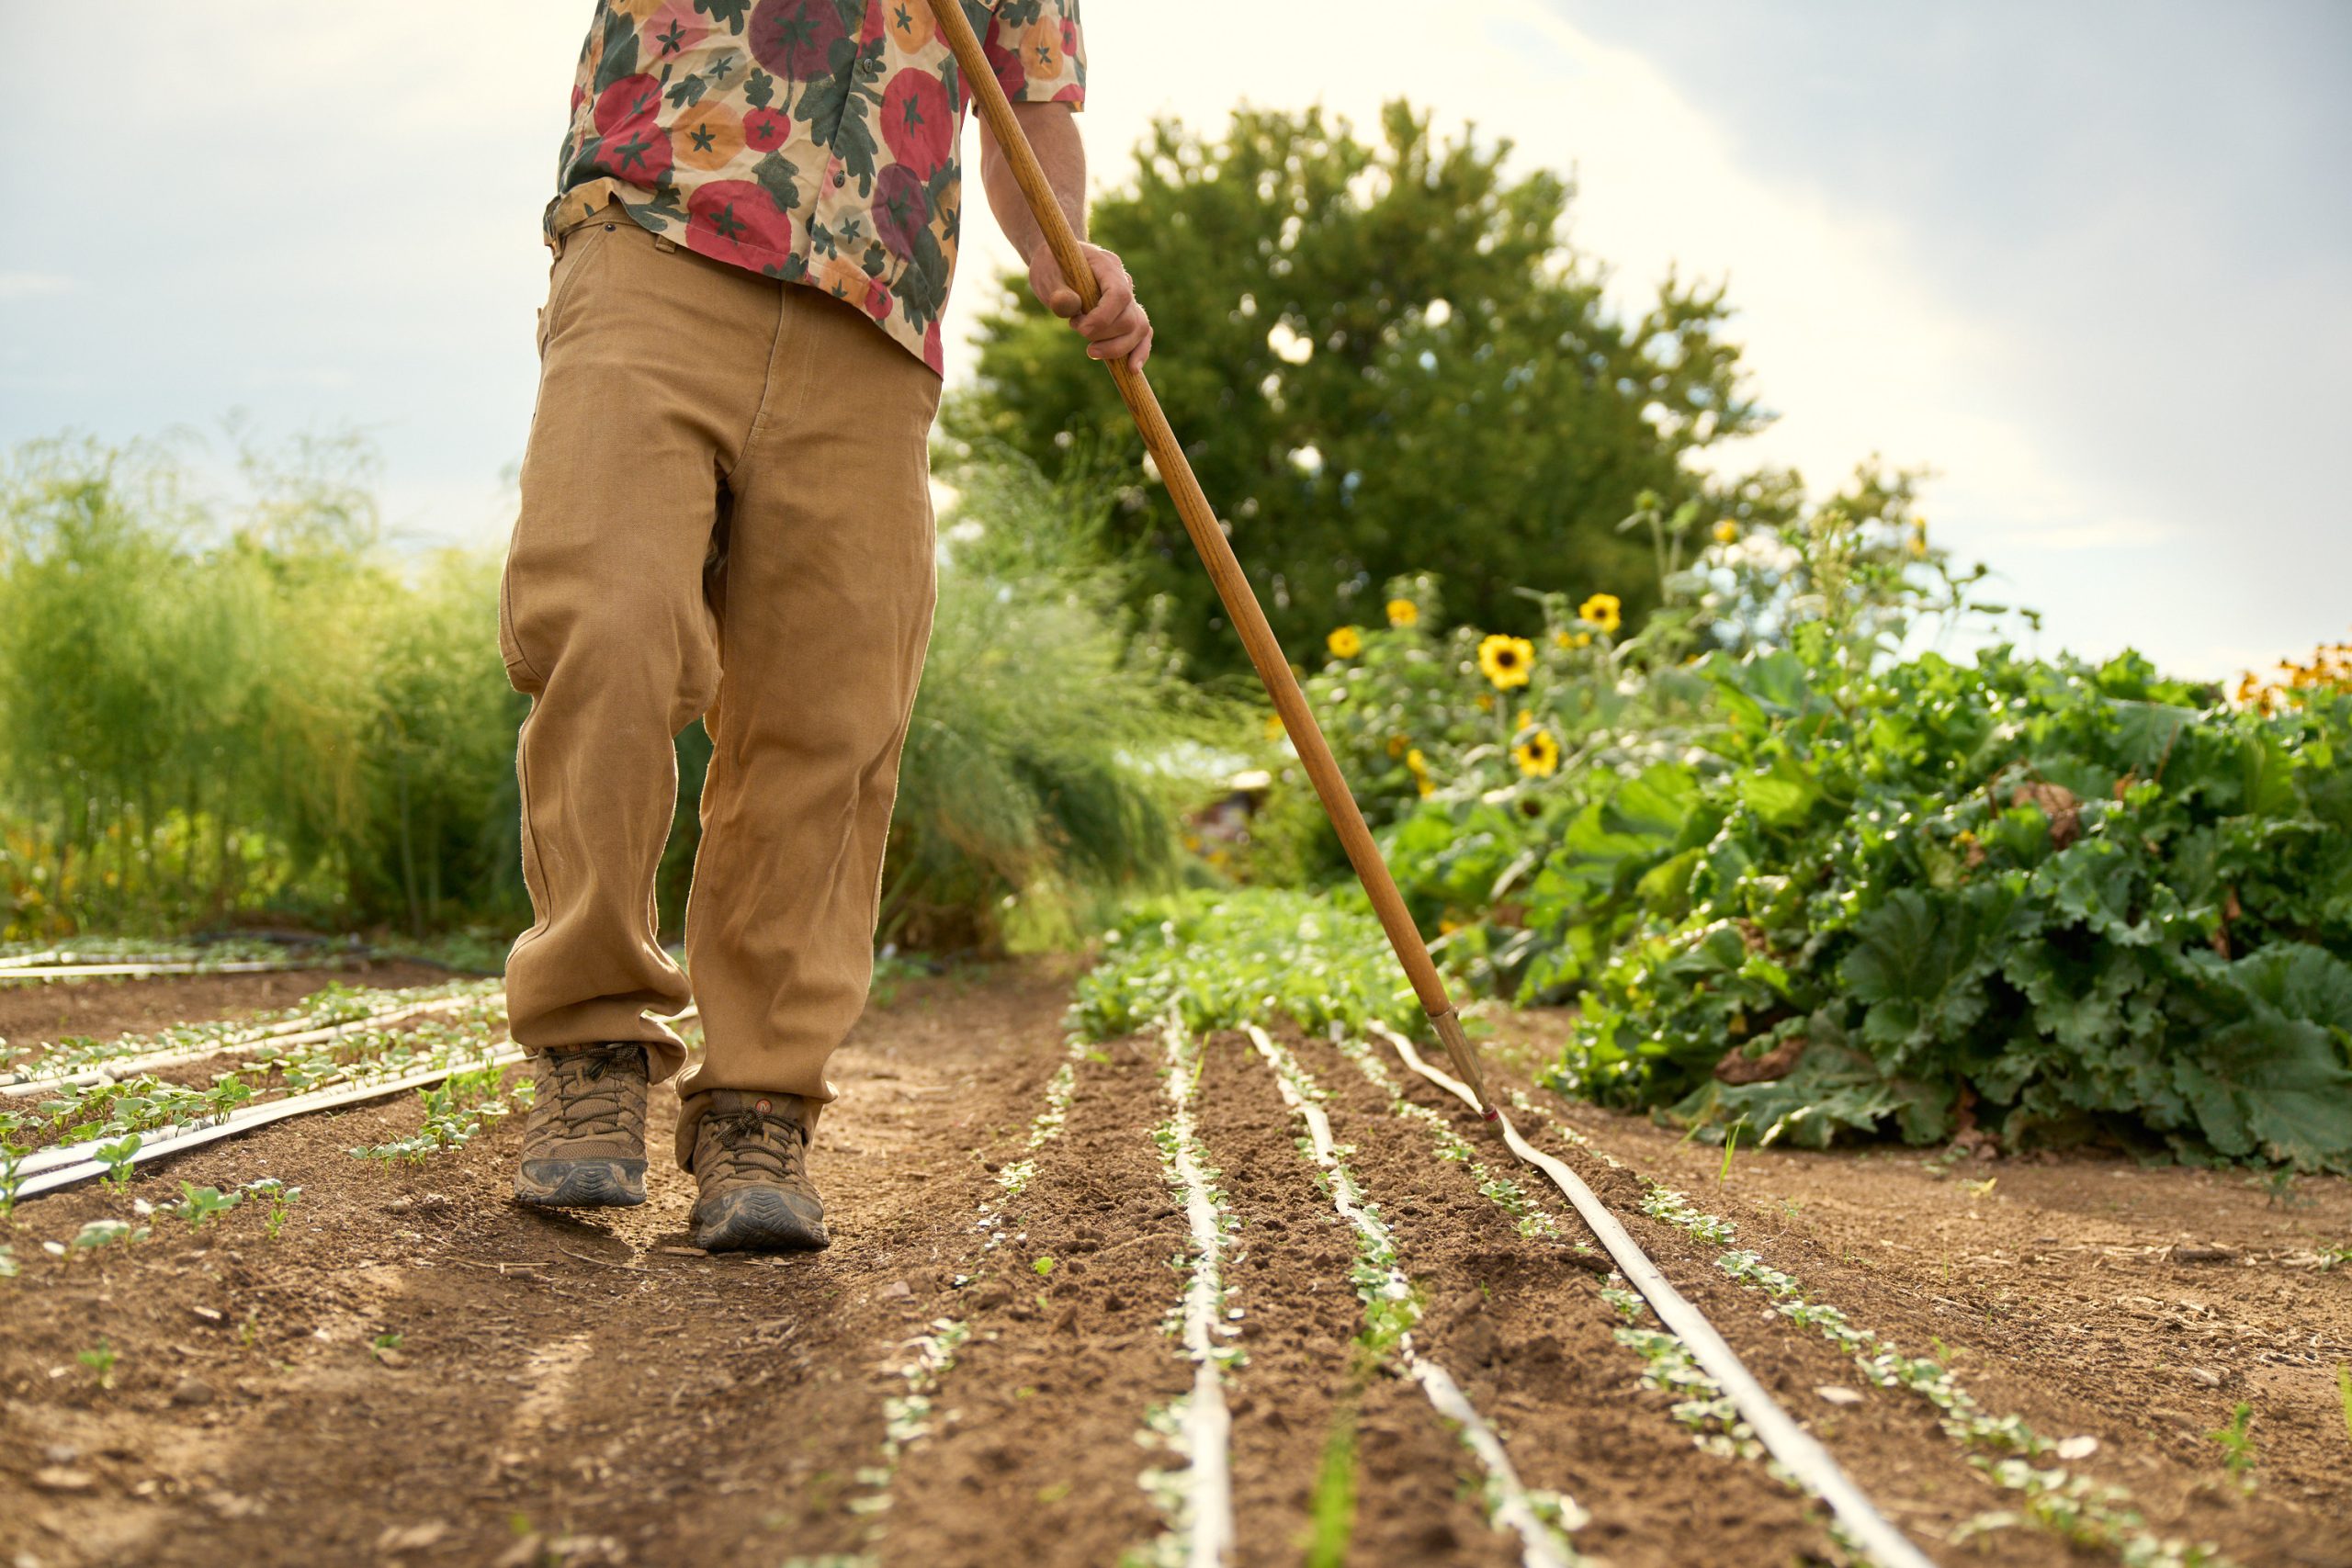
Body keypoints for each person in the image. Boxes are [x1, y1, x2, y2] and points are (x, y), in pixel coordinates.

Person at [497, 0, 1148, 1253]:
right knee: (609, 620)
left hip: (875, 314)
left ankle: (759, 1100)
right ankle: (588, 1039)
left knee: (831, 714)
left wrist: (1069, 250)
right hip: (652, 238)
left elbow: (1028, 108)